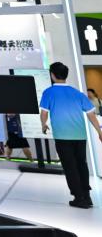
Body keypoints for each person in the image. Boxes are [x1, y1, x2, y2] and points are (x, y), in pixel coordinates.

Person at [40, 61, 102, 209]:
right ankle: (87, 196)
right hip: (80, 135)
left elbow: (44, 113)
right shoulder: (77, 93)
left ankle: (79, 197)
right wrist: (99, 131)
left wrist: (44, 124)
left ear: (52, 75)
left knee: (70, 166)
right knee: (82, 164)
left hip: (62, 136)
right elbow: (91, 114)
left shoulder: (48, 92)